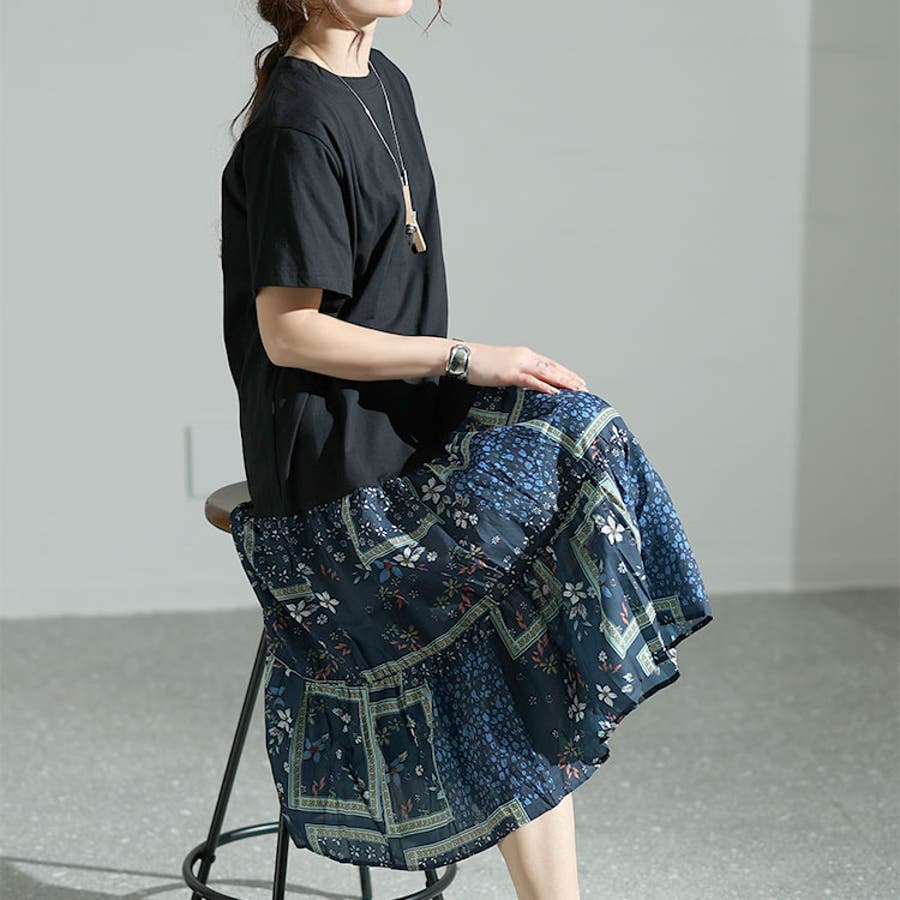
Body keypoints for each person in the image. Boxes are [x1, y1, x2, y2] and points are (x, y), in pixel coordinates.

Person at [219, 2, 714, 897]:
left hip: (412, 429)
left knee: (582, 429)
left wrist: (471, 374)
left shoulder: (385, 81)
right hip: (335, 477)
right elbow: (289, 334)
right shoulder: (297, 124)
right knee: (511, 609)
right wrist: (466, 358)